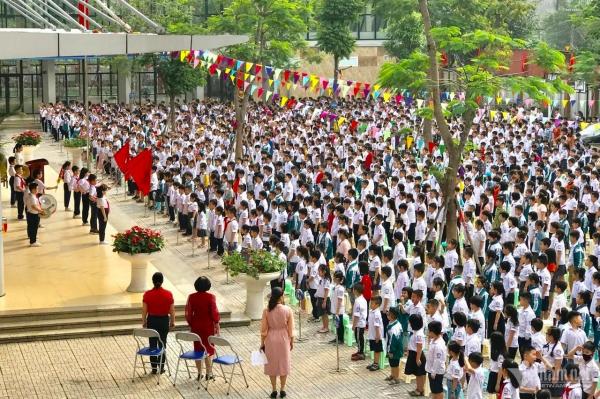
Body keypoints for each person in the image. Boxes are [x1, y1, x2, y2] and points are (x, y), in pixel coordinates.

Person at [260, 287, 294, 399]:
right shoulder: (287, 310)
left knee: (272, 364)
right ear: (281, 296)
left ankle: (274, 389)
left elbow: (263, 329)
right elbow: (291, 329)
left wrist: (262, 343)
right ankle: (282, 389)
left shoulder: (266, 310)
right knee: (283, 363)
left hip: (270, 339)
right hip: (284, 338)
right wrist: (291, 341)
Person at [185, 276, 220, 381]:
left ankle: (199, 373)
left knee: (198, 349)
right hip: (208, 326)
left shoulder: (191, 297)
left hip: (196, 325)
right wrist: (217, 322)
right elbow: (214, 312)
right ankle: (209, 373)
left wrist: (191, 324)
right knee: (208, 349)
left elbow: (188, 313)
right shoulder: (211, 297)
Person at [142, 272, 175, 374]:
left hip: (152, 320)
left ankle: (154, 368)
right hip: (164, 321)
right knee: (162, 343)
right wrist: (172, 322)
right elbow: (172, 311)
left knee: (152, 344)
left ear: (152, 281)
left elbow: (144, 311)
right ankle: (161, 367)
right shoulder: (168, 294)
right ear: (162, 281)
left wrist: (144, 322)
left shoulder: (147, 294)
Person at [24, 182, 44, 246]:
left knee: (31, 227)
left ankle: (32, 238)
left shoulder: (31, 195)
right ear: (33, 190)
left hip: (31, 213)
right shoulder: (32, 197)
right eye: (37, 189)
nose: (38, 190)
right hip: (33, 214)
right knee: (34, 228)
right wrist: (40, 211)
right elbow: (33, 206)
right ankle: (33, 242)